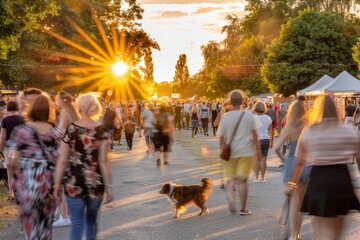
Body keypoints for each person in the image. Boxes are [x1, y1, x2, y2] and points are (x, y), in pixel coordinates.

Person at [290, 95, 360, 240]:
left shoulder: (309, 131)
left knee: (323, 233)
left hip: (319, 180)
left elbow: (299, 162)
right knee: (336, 235)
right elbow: (358, 157)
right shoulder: (347, 129)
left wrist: (293, 183)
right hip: (342, 179)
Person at [54, 94, 113, 240]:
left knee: (77, 223)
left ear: (79, 107)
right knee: (91, 221)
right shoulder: (102, 131)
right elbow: (104, 161)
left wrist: (56, 185)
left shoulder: (71, 129)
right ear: (95, 107)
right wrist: (109, 187)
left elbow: (63, 160)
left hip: (74, 182)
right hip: (96, 182)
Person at [9, 94, 62, 239]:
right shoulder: (56, 133)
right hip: (49, 182)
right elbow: (60, 161)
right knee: (46, 223)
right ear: (49, 110)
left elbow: (13, 160)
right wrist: (57, 186)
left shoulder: (21, 130)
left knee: (30, 223)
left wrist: (15, 176)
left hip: (28, 180)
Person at [218, 90, 260, 215]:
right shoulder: (249, 115)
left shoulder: (225, 117)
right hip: (245, 152)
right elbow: (255, 134)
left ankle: (231, 197)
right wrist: (256, 150)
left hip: (230, 153)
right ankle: (243, 208)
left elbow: (221, 137)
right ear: (243, 101)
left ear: (230, 102)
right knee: (243, 180)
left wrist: (222, 150)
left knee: (232, 179)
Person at [274, 101, 309, 240]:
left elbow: (276, 148)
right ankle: (297, 233)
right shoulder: (308, 126)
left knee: (294, 202)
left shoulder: (289, 127)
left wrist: (283, 159)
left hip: (291, 163)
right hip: (305, 163)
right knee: (301, 202)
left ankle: (295, 235)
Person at [53, 91, 80, 227]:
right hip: (73, 150)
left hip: (64, 150)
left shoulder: (65, 113)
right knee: (70, 182)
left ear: (62, 100)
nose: (55, 101)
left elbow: (59, 132)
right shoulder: (73, 111)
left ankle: (64, 216)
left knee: (62, 183)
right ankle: (68, 213)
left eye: (57, 99)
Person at [0, 101, 23, 201]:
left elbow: (2, 137)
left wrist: (0, 151)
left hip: (10, 149)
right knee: (21, 172)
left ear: (8, 108)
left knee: (9, 173)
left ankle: (11, 194)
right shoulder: (23, 119)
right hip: (22, 149)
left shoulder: (5, 120)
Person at [253, 101, 273, 182]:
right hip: (266, 139)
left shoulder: (253, 118)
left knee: (257, 159)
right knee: (264, 159)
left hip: (257, 139)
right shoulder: (268, 118)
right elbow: (271, 131)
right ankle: (263, 178)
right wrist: (271, 142)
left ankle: (256, 178)